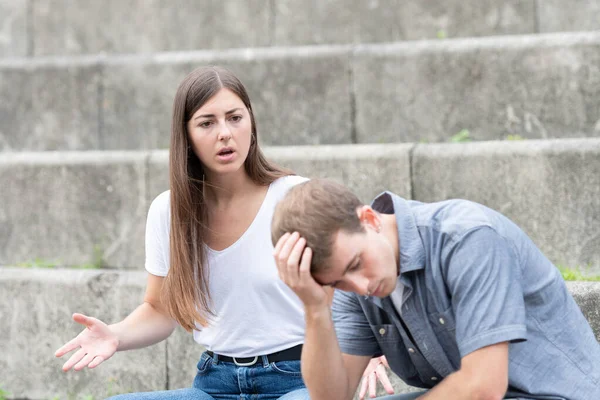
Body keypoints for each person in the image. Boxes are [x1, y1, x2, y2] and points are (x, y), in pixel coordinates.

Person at [54, 66, 387, 399]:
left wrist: (363, 347)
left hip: (298, 377)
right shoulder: (168, 212)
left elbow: (346, 283)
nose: (225, 133)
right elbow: (159, 309)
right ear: (186, 137)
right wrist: (114, 335)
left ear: (251, 124)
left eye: (235, 118)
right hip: (215, 382)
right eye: (206, 123)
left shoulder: (295, 197)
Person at [271, 178, 600, 400]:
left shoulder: (467, 238)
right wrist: (315, 309)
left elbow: (483, 386)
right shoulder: (352, 280)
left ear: (370, 220)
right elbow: (332, 396)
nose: (361, 286)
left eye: (356, 264)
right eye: (338, 282)